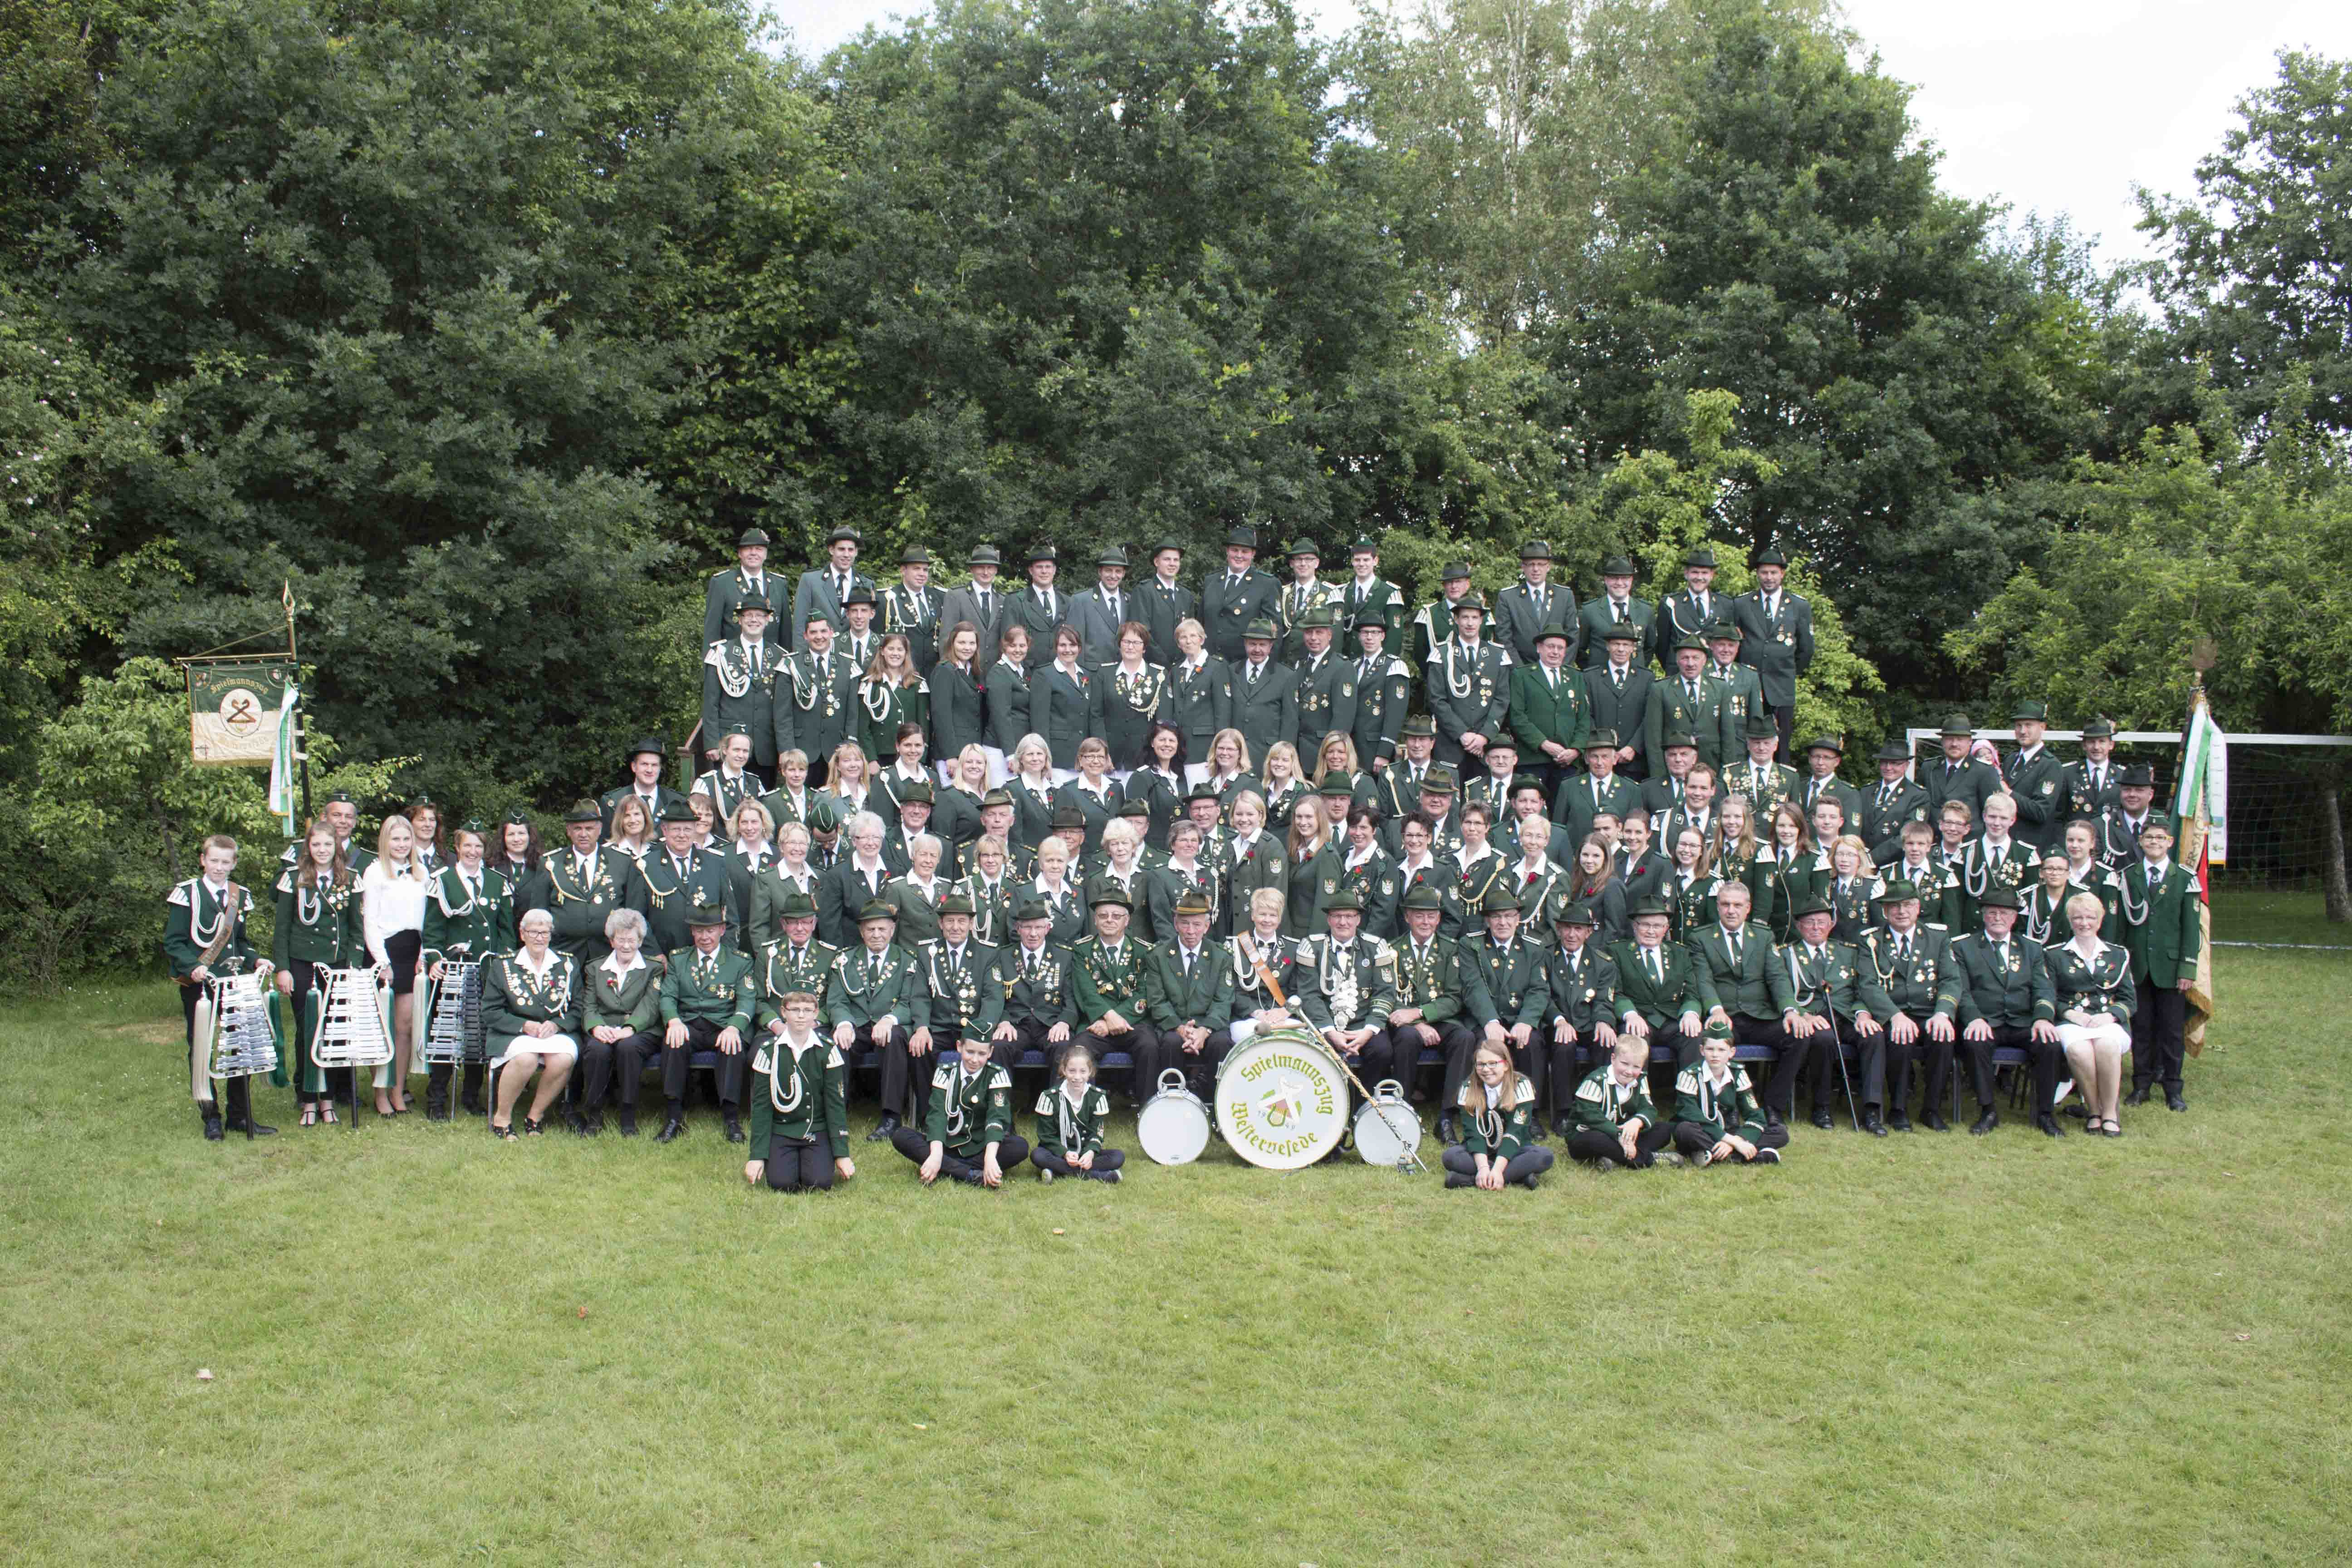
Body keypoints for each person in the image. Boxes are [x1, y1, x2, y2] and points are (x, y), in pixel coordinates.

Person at [167, 833, 275, 1141]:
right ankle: (211, 1115)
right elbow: (173, 942)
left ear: (234, 863)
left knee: (241, 1045)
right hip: (200, 983)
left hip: (234, 982)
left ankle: (239, 1116)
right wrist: (193, 966)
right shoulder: (187, 893)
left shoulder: (240, 895)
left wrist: (255, 960)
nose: (219, 867)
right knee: (202, 1046)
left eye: (225, 862)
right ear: (203, 860)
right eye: (214, 860)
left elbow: (240, 942)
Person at [418, 820, 516, 1121]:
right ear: (457, 848)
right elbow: (433, 928)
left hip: (487, 969)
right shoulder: (443, 881)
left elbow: (507, 930)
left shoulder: (498, 882)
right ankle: (437, 1099)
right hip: (453, 968)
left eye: (478, 846)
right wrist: (435, 959)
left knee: (479, 1033)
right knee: (447, 1034)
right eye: (467, 846)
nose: (473, 852)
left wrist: (503, 963)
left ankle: (472, 1096)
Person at [1949, 886, 2066, 1136]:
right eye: (1992, 912)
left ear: (2014, 918)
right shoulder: (1964, 947)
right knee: (1974, 1042)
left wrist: (2043, 1019)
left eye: (2004, 913)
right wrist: (1974, 1019)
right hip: (1985, 1021)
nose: (1998, 918)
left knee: (2051, 1045)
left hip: (2023, 1022)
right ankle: (1988, 1111)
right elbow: (1961, 990)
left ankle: (2045, 1114)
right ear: (1983, 915)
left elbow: (2044, 989)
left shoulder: (2032, 948)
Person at [1853, 879, 1964, 1132]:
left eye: (1908, 905)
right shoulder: (1871, 941)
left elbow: (1951, 980)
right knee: (1900, 1038)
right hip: (1893, 1012)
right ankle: (1898, 1110)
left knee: (1943, 1038)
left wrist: (1943, 1014)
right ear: (1885, 911)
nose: (1901, 911)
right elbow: (1868, 984)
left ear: (1918, 908)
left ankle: (1931, 1110)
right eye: (1894, 906)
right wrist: (1895, 1016)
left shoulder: (1937, 937)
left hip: (1929, 1013)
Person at [275, 818, 363, 1127]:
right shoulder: (293, 879)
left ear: (336, 847)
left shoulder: (351, 879)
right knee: (308, 1030)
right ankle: (308, 1098)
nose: (322, 850)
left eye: (328, 844)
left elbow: (356, 929)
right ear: (308, 848)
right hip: (302, 964)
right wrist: (283, 968)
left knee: (334, 1033)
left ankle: (328, 1100)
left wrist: (353, 965)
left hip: (337, 965)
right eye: (316, 845)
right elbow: (282, 930)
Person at [653, 902, 758, 1144]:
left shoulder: (740, 961)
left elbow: (747, 999)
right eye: (699, 931)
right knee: (673, 1042)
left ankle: (731, 1119)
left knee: (732, 1046)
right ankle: (674, 1118)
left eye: (710, 930)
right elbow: (667, 996)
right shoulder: (679, 959)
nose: (705, 937)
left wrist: (734, 1027)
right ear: (692, 931)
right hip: (689, 1024)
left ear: (722, 930)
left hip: (722, 1024)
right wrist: (674, 1021)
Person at [1767, 895, 1872, 1132]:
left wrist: (1862, 1013)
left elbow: (1863, 989)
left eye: (1822, 922)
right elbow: (1780, 991)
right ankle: (1821, 1107)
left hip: (1846, 1015)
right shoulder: (1786, 954)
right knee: (1824, 1039)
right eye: (1810, 922)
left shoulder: (1849, 953)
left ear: (1831, 925)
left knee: (1873, 1037)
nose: (1816, 927)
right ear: (1799, 926)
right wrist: (1803, 1014)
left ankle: (1873, 1110)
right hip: (1812, 1017)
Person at [1293, 888, 1400, 1118]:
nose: (1343, 922)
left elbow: (1385, 993)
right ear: (1329, 919)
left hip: (1363, 1025)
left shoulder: (1376, 946)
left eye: (1349, 916)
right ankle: (1326, 1111)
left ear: (1358, 920)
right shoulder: (1311, 946)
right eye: (1337, 916)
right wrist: (1331, 1033)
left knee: (1382, 1051)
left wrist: (1368, 1032)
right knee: (1316, 1053)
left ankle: (1363, 1111)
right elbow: (1309, 995)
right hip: (1326, 1026)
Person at [2120, 819, 2201, 1112]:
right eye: (2149, 837)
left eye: (2160, 838)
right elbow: (2121, 927)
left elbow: (2191, 930)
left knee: (2172, 1031)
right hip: (2138, 966)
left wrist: (2187, 969)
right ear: (2141, 842)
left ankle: (2173, 1089)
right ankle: (2141, 1085)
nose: (2154, 842)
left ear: (2170, 842)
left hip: (2170, 969)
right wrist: (2121, 967)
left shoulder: (2185, 878)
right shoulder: (2128, 877)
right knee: (2141, 1028)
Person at [742, 989, 855, 1192]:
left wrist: (842, 1155)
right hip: (782, 1130)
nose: (801, 1016)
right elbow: (761, 1108)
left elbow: (835, 1105)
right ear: (784, 1012)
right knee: (781, 1183)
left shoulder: (828, 1051)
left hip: (816, 1129)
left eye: (807, 1010)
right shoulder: (768, 1052)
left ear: (816, 1013)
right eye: (795, 1010)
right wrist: (757, 1156)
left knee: (819, 1183)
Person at [481, 909, 580, 1139]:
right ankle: (502, 1118)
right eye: (534, 932)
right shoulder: (504, 965)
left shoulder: (567, 963)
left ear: (551, 935)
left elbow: (578, 1007)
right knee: (527, 1059)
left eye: (544, 933)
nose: (539, 938)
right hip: (513, 1033)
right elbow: (490, 1012)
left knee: (564, 1059)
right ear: (522, 934)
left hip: (553, 1033)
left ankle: (535, 1116)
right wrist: (524, 1025)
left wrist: (557, 1025)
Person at [1385, 884, 1485, 1111]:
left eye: (1431, 916)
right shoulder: (1392, 950)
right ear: (1407, 917)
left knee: (1465, 1037)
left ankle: (1449, 1113)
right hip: (1405, 1022)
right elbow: (1387, 994)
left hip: (1440, 1018)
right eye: (1419, 916)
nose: (1425, 922)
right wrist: (1418, 1024)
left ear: (1439, 919)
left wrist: (1420, 1014)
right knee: (1408, 1037)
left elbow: (1455, 997)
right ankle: (1401, 1106)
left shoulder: (1450, 949)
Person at [361, 813, 432, 1115]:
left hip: (412, 952)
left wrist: (423, 954)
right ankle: (380, 1092)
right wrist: (383, 962)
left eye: (406, 839)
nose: (402, 844)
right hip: (385, 953)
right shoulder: (375, 872)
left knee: (405, 1027)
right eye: (396, 839)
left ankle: (398, 1090)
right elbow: (370, 921)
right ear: (385, 841)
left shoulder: (422, 872)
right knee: (383, 1028)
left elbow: (428, 919)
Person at [2048, 890, 2136, 1137]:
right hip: (2071, 1022)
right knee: (2080, 1051)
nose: (2084, 923)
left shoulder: (2118, 954)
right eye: (2078, 918)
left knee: (2107, 1046)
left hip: (2107, 1021)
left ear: (2100, 920)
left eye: (2090, 917)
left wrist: (2110, 1016)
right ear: (2070, 920)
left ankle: (2110, 1113)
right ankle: (2094, 1111)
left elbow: (2130, 1000)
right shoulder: (2054, 955)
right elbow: (2048, 996)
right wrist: (2071, 1015)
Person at [892, 1030, 1028, 1186]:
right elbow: (938, 1116)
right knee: (901, 1136)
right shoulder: (945, 1073)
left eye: (982, 1054)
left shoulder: (997, 1075)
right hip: (947, 1145)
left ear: (990, 1052)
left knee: (1020, 1146)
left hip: (981, 1148)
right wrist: (936, 1154)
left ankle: (947, 1167)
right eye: (970, 1052)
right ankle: (970, 1175)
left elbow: (996, 1118)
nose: (975, 1060)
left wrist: (990, 1158)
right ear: (959, 1047)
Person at [584, 907, 665, 1137]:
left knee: (628, 1048)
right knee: (597, 1050)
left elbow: (651, 1006)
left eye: (632, 940)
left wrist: (629, 1029)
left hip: (641, 1030)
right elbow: (589, 1006)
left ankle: (628, 1117)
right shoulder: (595, 968)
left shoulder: (653, 968)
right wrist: (597, 1027)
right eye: (621, 940)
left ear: (640, 941)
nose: (626, 946)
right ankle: (594, 1115)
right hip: (605, 1027)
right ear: (612, 941)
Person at [1543, 901, 1620, 1135]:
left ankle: (1601, 1105)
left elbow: (1604, 1000)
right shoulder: (1545, 957)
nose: (1572, 934)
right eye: (1567, 928)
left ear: (1589, 932)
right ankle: (1564, 1112)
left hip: (1588, 1023)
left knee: (1606, 1041)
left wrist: (1603, 1021)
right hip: (1556, 1023)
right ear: (1558, 929)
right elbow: (1542, 996)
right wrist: (1559, 1020)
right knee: (1564, 1045)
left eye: (1578, 929)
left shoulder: (1603, 963)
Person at [1730, 547, 1814, 758]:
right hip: (1748, 686)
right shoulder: (1741, 604)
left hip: (1782, 686)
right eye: (1764, 573)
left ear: (1782, 574)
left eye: (1774, 573)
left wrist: (1788, 671)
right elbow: (1734, 645)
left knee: (1781, 746)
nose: (1769, 578)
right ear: (1757, 574)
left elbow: (1806, 649)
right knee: (1746, 742)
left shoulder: (1799, 605)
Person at [1443, 1040, 1554, 1190]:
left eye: (1493, 1064)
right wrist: (1483, 1168)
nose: (1486, 1069)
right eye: (1481, 1064)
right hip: (1481, 1153)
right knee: (1450, 1157)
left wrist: (1497, 1170)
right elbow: (1473, 1135)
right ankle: (1519, 1176)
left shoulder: (1521, 1085)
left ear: (1506, 1065)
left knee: (1544, 1156)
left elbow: (1515, 1133)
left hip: (1515, 1150)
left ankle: (1468, 1179)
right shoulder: (1468, 1088)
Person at [1671, 1021, 1786, 1165]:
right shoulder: (1689, 1075)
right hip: (1703, 1131)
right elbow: (1691, 1115)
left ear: (1732, 1052)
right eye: (1710, 1049)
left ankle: (1715, 1154)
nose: (1715, 1055)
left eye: (1721, 1050)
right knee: (1684, 1130)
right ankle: (1748, 1157)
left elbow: (1755, 1115)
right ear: (1702, 1050)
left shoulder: (1738, 1073)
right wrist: (1731, 1141)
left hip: (1731, 1132)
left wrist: (1737, 1140)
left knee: (1780, 1133)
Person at [1610, 893, 1703, 1068]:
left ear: (1666, 928)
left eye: (1658, 926)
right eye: (1645, 925)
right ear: (1635, 926)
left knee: (1694, 1035)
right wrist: (1630, 1015)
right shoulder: (1617, 952)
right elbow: (1615, 992)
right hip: (1638, 1018)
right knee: (1633, 1039)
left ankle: (1690, 1085)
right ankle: (1637, 1086)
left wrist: (1690, 1013)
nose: (1651, 931)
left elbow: (1692, 992)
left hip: (1671, 1020)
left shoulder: (1680, 954)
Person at [1564, 1034, 1676, 1170]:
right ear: (1613, 1059)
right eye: (1625, 1064)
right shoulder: (1596, 1081)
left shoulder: (1640, 1080)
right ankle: (1650, 1160)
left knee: (1663, 1130)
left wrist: (1637, 1122)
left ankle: (1611, 1159)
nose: (1629, 1071)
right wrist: (1619, 1136)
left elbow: (1648, 1109)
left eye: (1636, 1067)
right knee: (1595, 1139)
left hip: (1623, 1133)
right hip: (1589, 1135)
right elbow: (1590, 1117)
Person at [1070, 886, 1152, 1071]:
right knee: (1080, 1051)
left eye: (1116, 916)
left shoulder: (1143, 951)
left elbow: (1144, 994)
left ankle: (1149, 1092)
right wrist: (1108, 1017)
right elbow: (1086, 993)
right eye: (1103, 915)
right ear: (1095, 920)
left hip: (1134, 1023)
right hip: (1095, 1023)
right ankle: (1086, 1092)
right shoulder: (1082, 950)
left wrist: (1114, 1021)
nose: (1109, 920)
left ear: (1127, 920)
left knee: (1149, 1046)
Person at [777, 612, 858, 785]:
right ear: (806, 636)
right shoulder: (791, 665)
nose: (819, 637)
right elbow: (782, 715)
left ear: (832, 633)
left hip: (837, 752)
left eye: (823, 631)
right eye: (813, 632)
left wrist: (850, 748)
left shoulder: (848, 665)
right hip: (801, 753)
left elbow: (853, 715)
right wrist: (787, 750)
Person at [703, 599, 782, 771]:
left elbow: (783, 708)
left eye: (760, 615)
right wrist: (711, 743)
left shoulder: (779, 656)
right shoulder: (721, 653)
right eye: (748, 615)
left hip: (766, 748)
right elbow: (710, 703)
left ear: (767, 620)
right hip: (730, 745)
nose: (754, 620)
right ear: (740, 620)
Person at [1644, 635, 1738, 776]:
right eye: (1685, 658)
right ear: (1677, 660)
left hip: (1712, 765)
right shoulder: (1661, 689)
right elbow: (1653, 738)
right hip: (1674, 768)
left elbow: (1728, 735)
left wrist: (1728, 773)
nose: (1690, 663)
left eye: (1696, 658)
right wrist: (1659, 776)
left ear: (1704, 661)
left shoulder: (1720, 688)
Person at [1030, 1044, 1123, 1183]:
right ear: (1064, 1070)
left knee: (1118, 1157)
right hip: (1059, 1153)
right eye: (1072, 1071)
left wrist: (1090, 1153)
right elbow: (1046, 1136)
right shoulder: (1050, 1097)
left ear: (1091, 1072)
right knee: (1037, 1155)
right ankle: (1099, 1176)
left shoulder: (1098, 1097)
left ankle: (1058, 1172)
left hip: (1084, 1152)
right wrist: (1065, 1153)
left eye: (1083, 1071)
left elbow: (1097, 1134)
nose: (1077, 1077)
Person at [704, 524, 787, 650]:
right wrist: (712, 660)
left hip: (772, 659)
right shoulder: (722, 583)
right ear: (740, 553)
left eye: (759, 549)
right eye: (748, 549)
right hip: (732, 658)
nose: (753, 553)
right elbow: (712, 632)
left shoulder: (779, 584)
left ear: (766, 554)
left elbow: (785, 634)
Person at [1231, 618, 1299, 765]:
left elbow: (1290, 721)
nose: (1257, 650)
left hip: (1269, 754)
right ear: (1245, 644)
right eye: (1252, 644)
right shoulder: (1231, 671)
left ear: (1271, 646)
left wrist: (1284, 755)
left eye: (1262, 645)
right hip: (1235, 754)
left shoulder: (1286, 676)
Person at [791, 523, 869, 650]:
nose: (846, 555)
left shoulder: (866, 584)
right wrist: (802, 658)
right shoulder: (811, 581)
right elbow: (800, 626)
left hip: (854, 656)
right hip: (818, 654)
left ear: (856, 552)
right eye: (841, 549)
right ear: (831, 550)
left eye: (851, 550)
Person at [856, 632, 930, 766]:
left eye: (900, 650)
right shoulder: (870, 685)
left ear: (906, 653)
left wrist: (921, 759)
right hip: (879, 756)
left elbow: (924, 727)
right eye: (891, 649)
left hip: (910, 754)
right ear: (882, 651)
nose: (895, 654)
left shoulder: (917, 685)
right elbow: (863, 728)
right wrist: (871, 760)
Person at [2001, 701, 2067, 851]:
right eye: (2019, 726)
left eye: (2029, 725)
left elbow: (2041, 811)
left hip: (2031, 847)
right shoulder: (2010, 760)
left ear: (2042, 727)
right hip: (2006, 843)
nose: (2023, 731)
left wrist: (2009, 794)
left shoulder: (2050, 765)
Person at [1922, 714, 2002, 826]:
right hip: (1934, 835)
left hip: (1968, 836)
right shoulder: (1929, 767)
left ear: (1970, 742)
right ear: (1942, 741)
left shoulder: (1985, 771)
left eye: (1960, 739)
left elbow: (1993, 812)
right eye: (1949, 739)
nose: (1954, 744)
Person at [940, 543, 1010, 668]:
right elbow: (947, 638)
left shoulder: (1003, 600)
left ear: (996, 570)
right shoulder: (956, 596)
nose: (986, 572)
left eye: (990, 568)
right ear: (972, 569)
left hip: (994, 672)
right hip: (964, 670)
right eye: (981, 567)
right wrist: (950, 670)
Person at [882, 544, 947, 672]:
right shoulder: (889, 599)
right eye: (916, 569)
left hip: (934, 673)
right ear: (903, 570)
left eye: (925, 570)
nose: (922, 574)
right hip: (903, 673)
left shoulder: (939, 597)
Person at [1066, 545, 1133, 666]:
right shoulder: (1081, 601)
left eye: (1118, 571)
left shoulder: (1130, 601)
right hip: (1092, 674)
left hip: (1123, 672)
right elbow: (1073, 644)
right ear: (1100, 572)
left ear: (1124, 574)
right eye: (1108, 570)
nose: (1113, 576)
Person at [1136, 536, 1197, 667]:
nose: (1172, 564)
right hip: (1152, 666)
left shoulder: (1186, 596)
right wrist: (1165, 663)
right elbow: (1142, 633)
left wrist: (1182, 661)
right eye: (1167, 559)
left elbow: (1190, 633)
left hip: (1182, 666)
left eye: (1176, 560)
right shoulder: (1144, 591)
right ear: (1156, 562)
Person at [694, 725, 765, 831]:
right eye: (736, 750)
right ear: (725, 750)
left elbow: (763, 818)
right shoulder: (707, 783)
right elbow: (696, 821)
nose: (741, 755)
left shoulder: (755, 783)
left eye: (745, 751)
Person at [2061, 716, 2124, 825]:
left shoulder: (2122, 775)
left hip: (2109, 835)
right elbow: (2058, 816)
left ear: (2111, 745)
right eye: (2091, 742)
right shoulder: (2068, 774)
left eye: (2102, 741)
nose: (2096, 747)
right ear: (2084, 745)